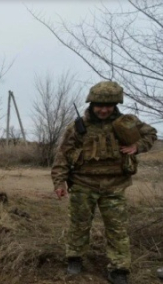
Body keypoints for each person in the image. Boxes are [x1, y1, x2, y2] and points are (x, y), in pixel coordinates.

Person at [51, 81, 157, 284]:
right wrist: (59, 183)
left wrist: (137, 146)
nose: (104, 109)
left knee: (117, 228)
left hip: (115, 186)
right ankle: (75, 258)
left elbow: (151, 133)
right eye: (99, 105)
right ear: (91, 104)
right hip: (83, 184)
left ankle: (119, 269)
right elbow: (62, 156)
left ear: (116, 105)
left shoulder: (126, 122)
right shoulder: (77, 127)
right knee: (79, 225)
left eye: (108, 105)